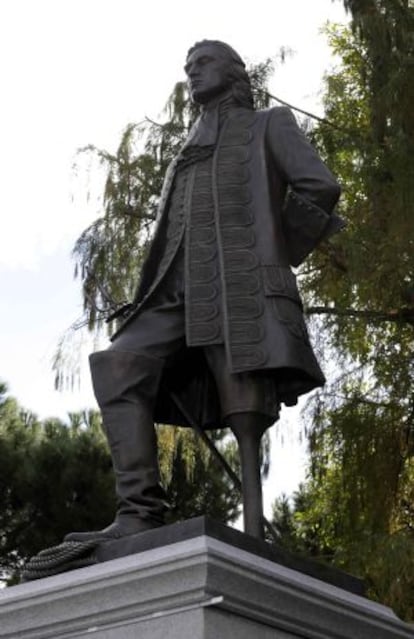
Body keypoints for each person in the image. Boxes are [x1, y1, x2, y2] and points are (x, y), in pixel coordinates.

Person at [66, 40, 342, 542]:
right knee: (117, 364)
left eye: (202, 64)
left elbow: (318, 186)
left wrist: (276, 249)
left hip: (238, 283)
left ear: (232, 71)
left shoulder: (268, 124)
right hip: (173, 291)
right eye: (187, 67)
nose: (191, 73)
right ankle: (139, 511)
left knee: (245, 405)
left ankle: (254, 525)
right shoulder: (185, 150)